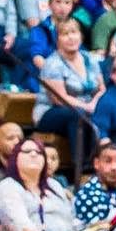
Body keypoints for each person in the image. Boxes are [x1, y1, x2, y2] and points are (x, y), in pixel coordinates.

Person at [33, 18, 104, 166]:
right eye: (65, 34)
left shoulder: (89, 59)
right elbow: (59, 99)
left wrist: (94, 103)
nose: (71, 37)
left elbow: (102, 88)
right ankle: (81, 166)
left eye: (74, 32)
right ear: (57, 39)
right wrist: (87, 107)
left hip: (87, 107)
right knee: (76, 115)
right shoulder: (52, 64)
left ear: (81, 36)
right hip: (52, 111)